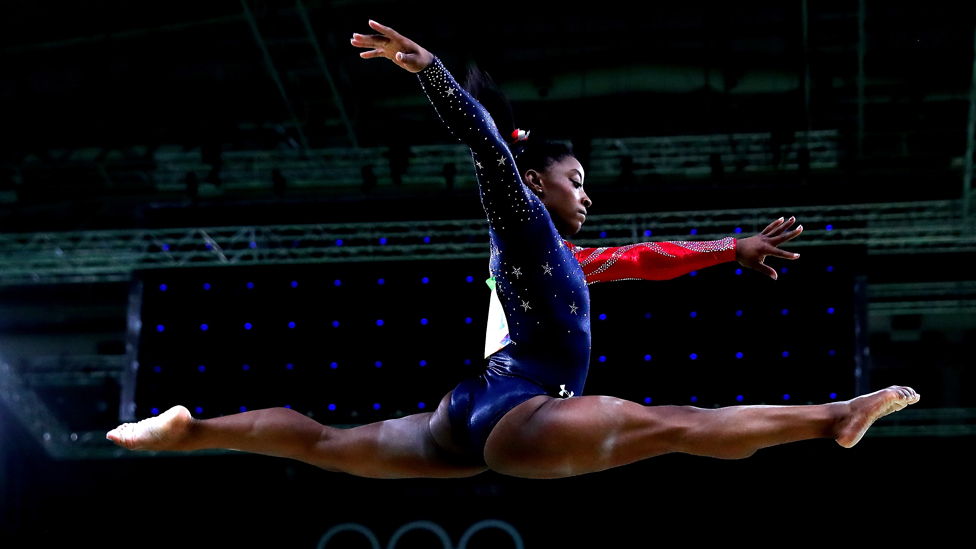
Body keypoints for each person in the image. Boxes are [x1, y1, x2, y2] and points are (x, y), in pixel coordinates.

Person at [107, 20, 919, 479]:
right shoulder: (524, 222)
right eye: (576, 179)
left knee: (322, 440)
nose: (586, 193)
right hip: (521, 407)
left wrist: (730, 247)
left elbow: (644, 260)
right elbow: (493, 153)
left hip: (464, 413)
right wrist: (433, 75)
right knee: (675, 422)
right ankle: (830, 419)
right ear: (538, 182)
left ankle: (192, 429)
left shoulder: (554, 260)